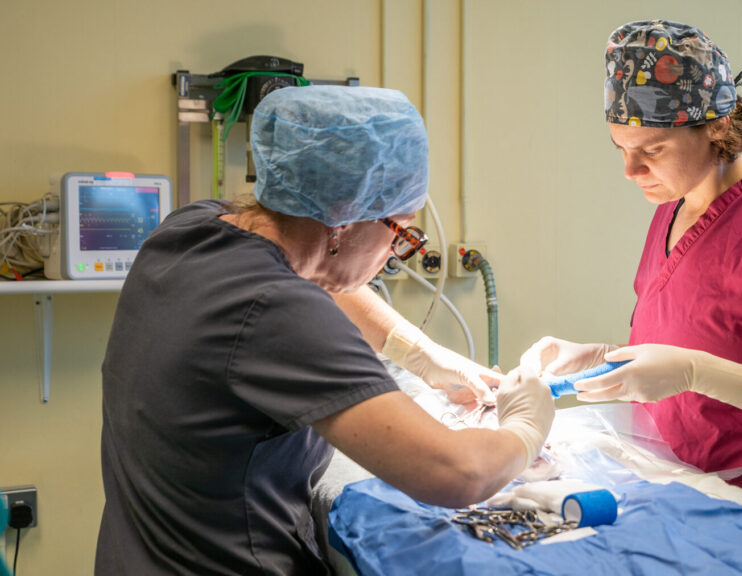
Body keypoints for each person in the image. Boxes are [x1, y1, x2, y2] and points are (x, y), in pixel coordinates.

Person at [95, 85, 554, 574]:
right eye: (400, 232)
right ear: (343, 219)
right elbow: (457, 474)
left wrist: (419, 352)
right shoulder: (276, 309)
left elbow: (311, 271)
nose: (395, 253)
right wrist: (526, 427)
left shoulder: (194, 226)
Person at [520, 20, 742, 532]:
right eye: (621, 149)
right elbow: (703, 341)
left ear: (717, 126)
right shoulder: (673, 209)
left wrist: (695, 371)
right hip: (681, 498)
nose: (630, 172)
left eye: (652, 151)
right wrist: (601, 358)